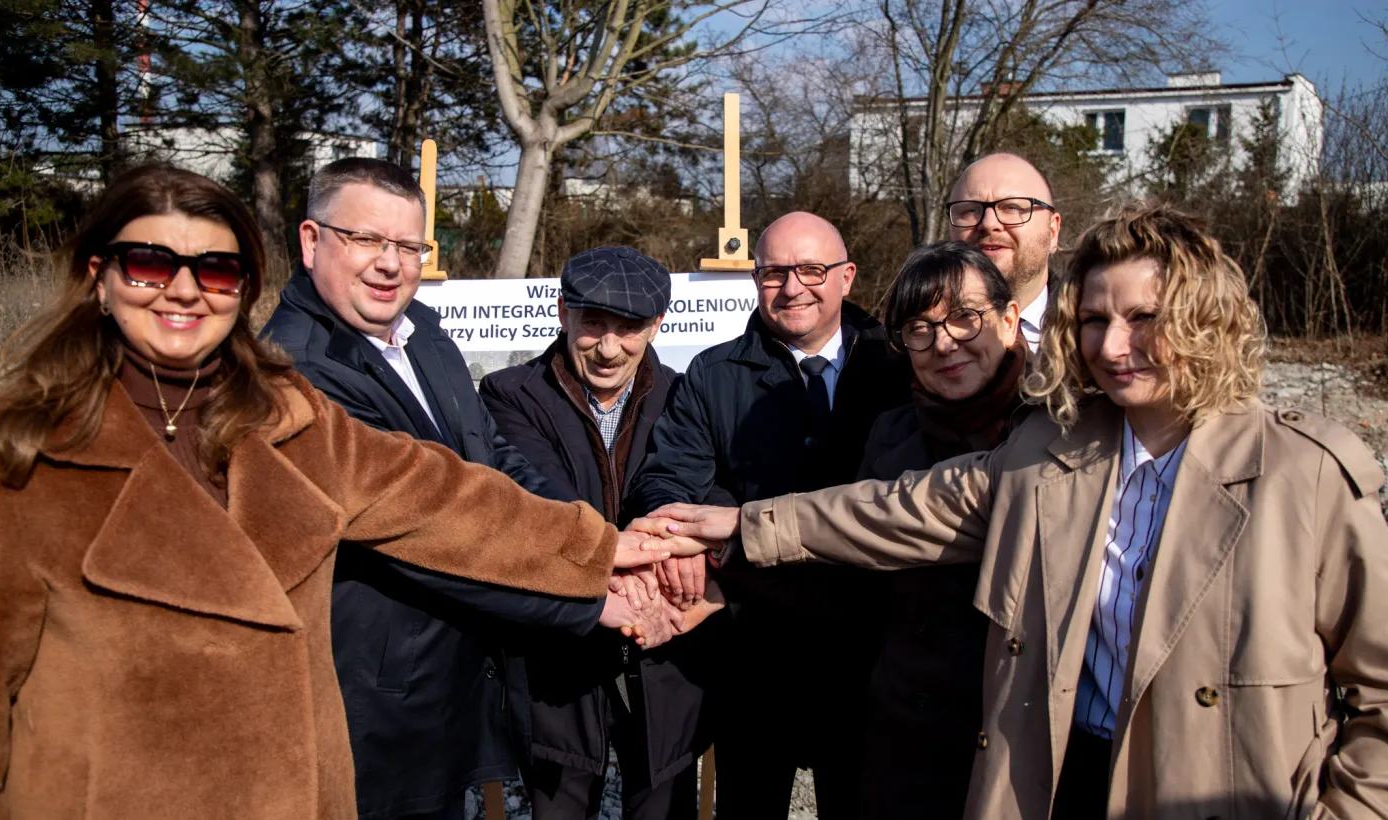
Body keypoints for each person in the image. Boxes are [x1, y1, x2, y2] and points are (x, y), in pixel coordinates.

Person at [639, 203, 1388, 819]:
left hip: (1222, 791)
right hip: (1051, 775)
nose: (1114, 345)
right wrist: (739, 528)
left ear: (1206, 320)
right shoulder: (1053, 450)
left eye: (1144, 317)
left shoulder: (1306, 473)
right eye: (1094, 320)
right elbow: (903, 509)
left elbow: (1380, 688)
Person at [0, 164, 669, 820]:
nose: (184, 290)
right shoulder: (24, 452)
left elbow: (441, 496)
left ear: (243, 289)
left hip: (290, 784)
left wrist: (604, 547)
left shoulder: (287, 417)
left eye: (217, 271)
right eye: (148, 264)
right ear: (98, 276)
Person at [261, 158, 645, 820]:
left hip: (452, 678)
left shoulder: (423, 332)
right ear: (311, 240)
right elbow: (423, 536)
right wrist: (585, 594)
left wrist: (590, 537)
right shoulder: (298, 373)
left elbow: (486, 457)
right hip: (372, 698)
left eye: (408, 246)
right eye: (365, 240)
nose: (390, 263)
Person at [624, 211, 912, 819]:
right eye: (775, 272)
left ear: (846, 277)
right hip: (755, 650)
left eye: (811, 270)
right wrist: (685, 542)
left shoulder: (899, 368)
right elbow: (666, 479)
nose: (792, 287)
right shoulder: (714, 372)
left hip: (871, 649)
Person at [481, 246, 724, 820]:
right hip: (559, 650)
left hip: (665, 648)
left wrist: (688, 552)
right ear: (564, 313)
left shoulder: (686, 394)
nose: (609, 348)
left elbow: (710, 486)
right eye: (593, 324)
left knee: (662, 802)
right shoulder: (508, 394)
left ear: (657, 325)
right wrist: (641, 559)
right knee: (560, 801)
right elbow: (539, 496)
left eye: (629, 328)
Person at [857, 241, 1027, 820]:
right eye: (919, 329)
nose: (943, 343)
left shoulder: (1063, 427)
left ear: (1008, 320)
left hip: (1025, 738)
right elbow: (851, 564)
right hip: (909, 739)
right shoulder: (890, 435)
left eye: (963, 318)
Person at [947, 153, 1061, 350]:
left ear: (1052, 231)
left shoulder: (1096, 337)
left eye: (1012, 207)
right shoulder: (908, 348)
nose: (989, 224)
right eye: (969, 210)